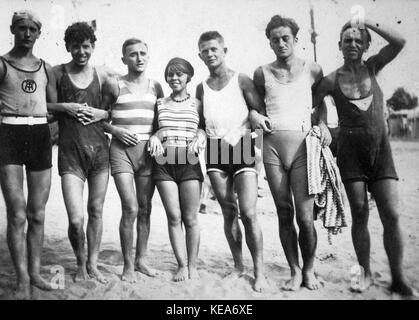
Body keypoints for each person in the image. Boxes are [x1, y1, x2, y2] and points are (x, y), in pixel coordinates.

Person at [315, 18, 414, 295]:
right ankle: (366, 272)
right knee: (359, 214)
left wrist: (366, 22)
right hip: (351, 156)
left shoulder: (373, 67)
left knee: (391, 215)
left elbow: (399, 42)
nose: (353, 44)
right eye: (348, 40)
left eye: (359, 40)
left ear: (367, 45)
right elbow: (312, 104)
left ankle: (398, 278)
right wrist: (322, 121)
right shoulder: (331, 79)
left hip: (381, 153)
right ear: (340, 45)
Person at [252, 15, 328, 291]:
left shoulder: (313, 69)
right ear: (269, 42)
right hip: (272, 148)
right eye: (275, 39)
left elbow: (321, 103)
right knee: (284, 212)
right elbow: (255, 106)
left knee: (305, 218)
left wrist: (322, 125)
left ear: (296, 40)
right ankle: (294, 270)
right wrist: (253, 114)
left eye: (286, 38)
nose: (281, 43)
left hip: (302, 149)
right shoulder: (262, 72)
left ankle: (309, 269)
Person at [196, 31, 269, 292]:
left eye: (214, 49)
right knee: (229, 212)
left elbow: (260, 114)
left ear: (225, 50)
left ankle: (259, 272)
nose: (210, 54)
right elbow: (201, 124)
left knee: (249, 213)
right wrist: (200, 136)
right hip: (216, 150)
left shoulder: (242, 79)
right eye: (205, 50)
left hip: (244, 148)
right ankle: (239, 266)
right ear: (200, 55)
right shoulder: (200, 87)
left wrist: (254, 148)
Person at [48, 22, 112, 284]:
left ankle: (93, 263)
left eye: (86, 46)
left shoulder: (104, 74)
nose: (81, 51)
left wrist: (104, 113)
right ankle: (79, 262)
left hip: (100, 153)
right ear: (68, 47)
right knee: (76, 219)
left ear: (93, 46)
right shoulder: (56, 72)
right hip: (70, 154)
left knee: (96, 210)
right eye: (76, 46)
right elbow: (47, 106)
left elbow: (119, 105)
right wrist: (67, 107)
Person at [0, 10, 55, 299]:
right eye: (22, 28)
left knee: (37, 213)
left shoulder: (47, 67)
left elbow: (54, 107)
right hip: (9, 134)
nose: (27, 33)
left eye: (32, 29)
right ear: (12, 29)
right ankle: (21, 279)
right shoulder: (2, 64)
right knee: (17, 214)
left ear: (38, 33)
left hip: (39, 137)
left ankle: (34, 273)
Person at [101, 38, 164, 282]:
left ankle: (141, 260)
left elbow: (162, 122)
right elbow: (101, 117)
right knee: (130, 207)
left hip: (147, 154)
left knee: (145, 209)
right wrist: (115, 131)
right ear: (124, 59)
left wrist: (158, 136)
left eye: (143, 53)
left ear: (148, 56)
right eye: (133, 54)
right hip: (121, 152)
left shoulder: (156, 86)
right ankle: (128, 266)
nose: (139, 58)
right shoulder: (114, 85)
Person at [149, 57, 205, 281]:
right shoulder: (160, 103)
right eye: (170, 74)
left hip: (189, 160)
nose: (174, 78)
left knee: (190, 218)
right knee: (174, 216)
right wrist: (154, 137)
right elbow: (155, 129)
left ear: (188, 77)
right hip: (163, 161)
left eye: (179, 74)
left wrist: (200, 135)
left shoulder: (198, 103)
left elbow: (203, 128)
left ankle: (193, 264)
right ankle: (181, 264)